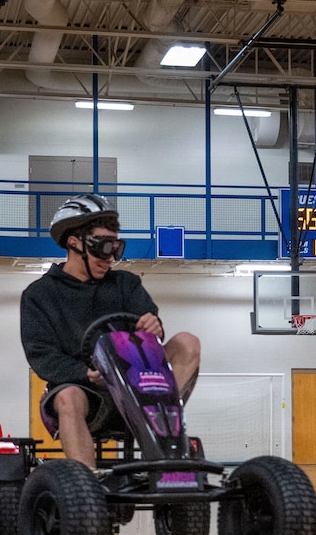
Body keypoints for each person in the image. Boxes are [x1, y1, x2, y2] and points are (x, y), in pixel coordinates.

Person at [20, 194, 198, 468]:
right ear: (74, 242)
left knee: (187, 342)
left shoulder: (126, 284)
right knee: (68, 397)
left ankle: (165, 443)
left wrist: (154, 326)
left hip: (138, 386)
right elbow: (42, 356)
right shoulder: (40, 295)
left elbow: (151, 329)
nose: (110, 258)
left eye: (115, 249)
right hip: (86, 392)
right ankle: (87, 484)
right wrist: (85, 373)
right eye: (103, 248)